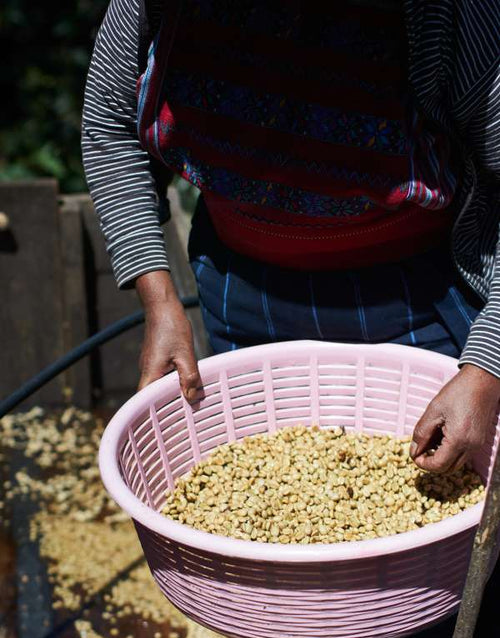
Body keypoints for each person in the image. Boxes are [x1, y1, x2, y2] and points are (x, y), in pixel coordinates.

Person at [82, 0, 500, 478]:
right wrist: (158, 300)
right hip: (238, 288)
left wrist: (488, 364)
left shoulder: (447, 12)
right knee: (263, 494)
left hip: (417, 297)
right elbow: (109, 127)